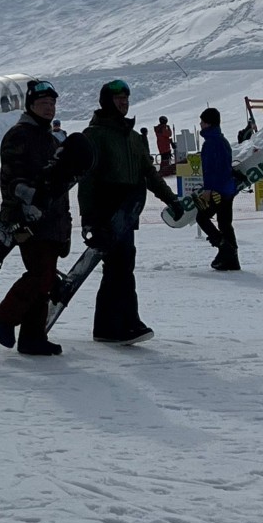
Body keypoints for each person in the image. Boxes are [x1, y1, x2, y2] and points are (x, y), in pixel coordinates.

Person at [78, 80, 183, 344]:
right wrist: (89, 219)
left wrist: (172, 200)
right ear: (106, 102)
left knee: (121, 266)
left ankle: (109, 326)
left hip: (128, 210)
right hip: (106, 211)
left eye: (126, 99)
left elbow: (150, 175)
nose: (124, 103)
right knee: (119, 267)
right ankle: (125, 323)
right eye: (118, 99)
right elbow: (87, 179)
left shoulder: (134, 138)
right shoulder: (95, 135)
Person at [0, 79, 70, 356]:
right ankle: (5, 316)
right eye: (43, 103)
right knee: (40, 274)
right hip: (27, 218)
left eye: (52, 103)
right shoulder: (19, 135)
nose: (49, 108)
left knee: (44, 279)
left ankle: (33, 337)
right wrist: (25, 204)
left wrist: (65, 220)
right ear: (31, 106)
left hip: (51, 219)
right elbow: (11, 178)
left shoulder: (51, 138)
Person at [193, 107, 240, 271]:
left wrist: (208, 189)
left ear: (209, 123)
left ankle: (225, 248)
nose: (200, 124)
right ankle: (233, 260)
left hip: (217, 190)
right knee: (225, 223)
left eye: (202, 121)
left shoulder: (211, 143)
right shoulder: (222, 140)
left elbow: (211, 169)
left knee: (202, 218)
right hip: (228, 188)